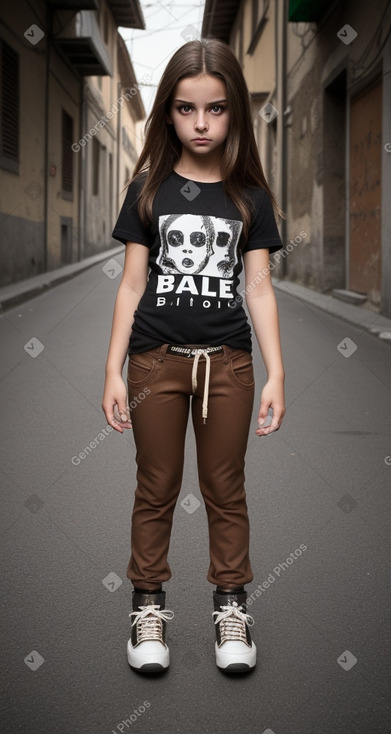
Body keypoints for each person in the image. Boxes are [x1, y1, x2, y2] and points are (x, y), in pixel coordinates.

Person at [102, 37, 286, 675]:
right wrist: (112, 369)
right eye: (185, 109)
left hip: (229, 366)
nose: (201, 124)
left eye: (215, 109)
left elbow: (258, 287)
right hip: (155, 362)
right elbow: (131, 283)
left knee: (225, 489)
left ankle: (231, 607)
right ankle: (147, 606)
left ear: (234, 111)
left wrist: (276, 372)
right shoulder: (148, 188)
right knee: (155, 487)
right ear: (167, 114)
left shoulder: (249, 197)